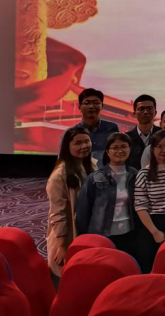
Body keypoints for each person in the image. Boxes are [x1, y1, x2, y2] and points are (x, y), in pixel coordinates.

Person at [76, 132, 139, 259]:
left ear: (129, 149)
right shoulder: (95, 177)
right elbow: (83, 210)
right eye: (115, 147)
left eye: (124, 146)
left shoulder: (135, 174)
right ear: (108, 152)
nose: (120, 151)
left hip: (129, 233)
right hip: (102, 234)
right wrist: (84, 236)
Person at [46, 126, 94, 277]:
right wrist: (62, 246)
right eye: (78, 143)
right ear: (67, 147)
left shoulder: (91, 165)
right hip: (68, 233)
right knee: (69, 274)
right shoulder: (59, 176)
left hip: (87, 226)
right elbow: (57, 213)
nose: (84, 146)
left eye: (87, 141)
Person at [134, 130, 165, 273]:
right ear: (152, 149)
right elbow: (140, 206)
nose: (164, 150)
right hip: (151, 225)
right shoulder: (143, 174)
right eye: (159, 146)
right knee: (149, 269)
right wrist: (155, 232)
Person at [72, 88, 118, 164]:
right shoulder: (72, 132)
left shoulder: (112, 128)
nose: (91, 106)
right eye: (87, 103)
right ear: (79, 107)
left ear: (102, 106)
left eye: (96, 103)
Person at [126, 94, 161, 171]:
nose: (145, 112)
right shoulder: (126, 138)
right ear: (134, 114)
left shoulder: (163, 135)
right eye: (141, 109)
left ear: (155, 112)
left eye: (149, 108)